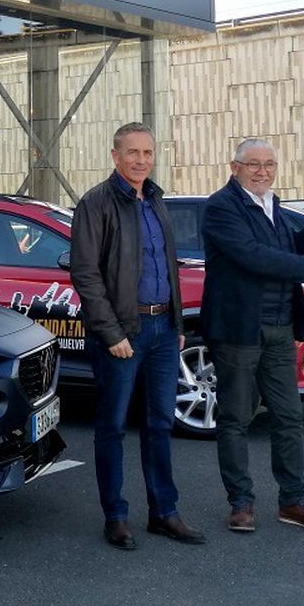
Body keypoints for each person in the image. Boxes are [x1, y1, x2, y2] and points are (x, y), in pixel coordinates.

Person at [70, 122, 204, 550]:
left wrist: (178, 326)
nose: (141, 160)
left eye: (148, 152)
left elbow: (168, 267)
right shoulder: (95, 203)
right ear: (115, 156)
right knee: (111, 427)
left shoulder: (157, 200)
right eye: (133, 152)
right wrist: (111, 332)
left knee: (159, 424)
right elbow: (86, 275)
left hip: (163, 330)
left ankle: (164, 512)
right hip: (123, 334)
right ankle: (116, 517)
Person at [200, 138, 304, 533]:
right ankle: (241, 502)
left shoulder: (271, 205)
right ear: (235, 167)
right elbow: (252, 256)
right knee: (236, 417)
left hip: (280, 328)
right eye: (253, 164)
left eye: (269, 164)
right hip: (238, 330)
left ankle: (294, 501)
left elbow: (286, 249)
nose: (262, 171)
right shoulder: (221, 207)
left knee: (288, 416)